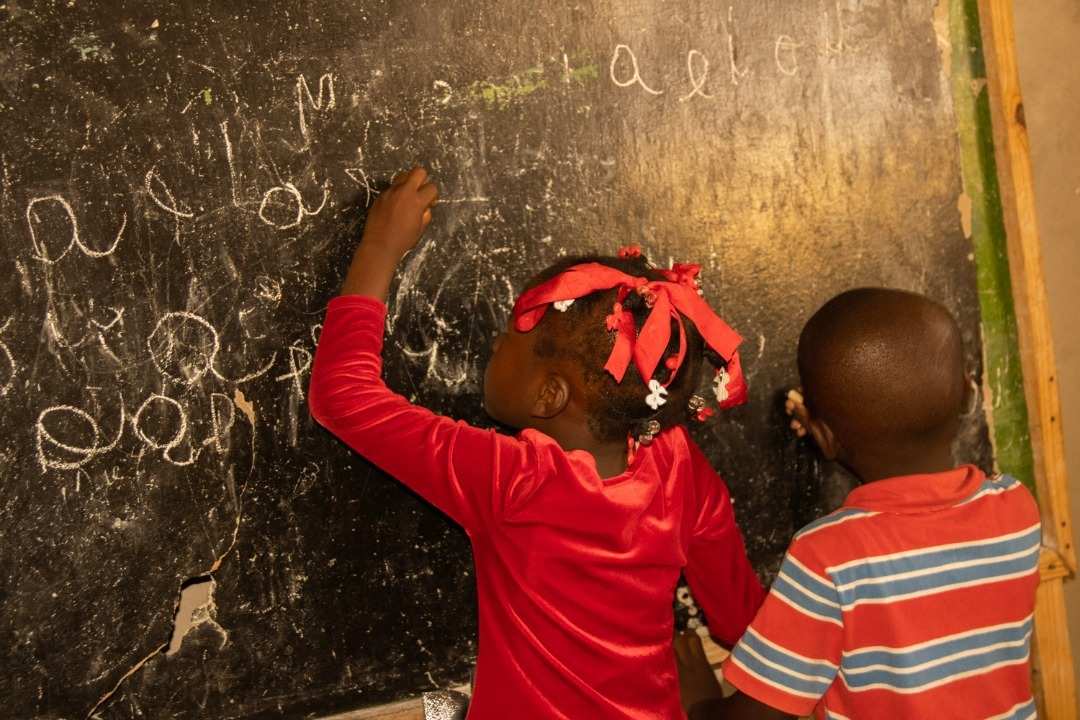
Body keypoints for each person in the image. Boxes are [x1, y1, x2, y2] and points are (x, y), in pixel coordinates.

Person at [308, 167, 766, 719]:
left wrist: (380, 246)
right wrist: (749, 655)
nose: (494, 346)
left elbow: (344, 396)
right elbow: (729, 583)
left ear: (549, 394)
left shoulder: (514, 480)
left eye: (507, 342)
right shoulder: (670, 459)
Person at [675, 288, 1041, 720]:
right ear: (967, 393)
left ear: (824, 437)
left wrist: (699, 701)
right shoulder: (1017, 509)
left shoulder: (830, 558)